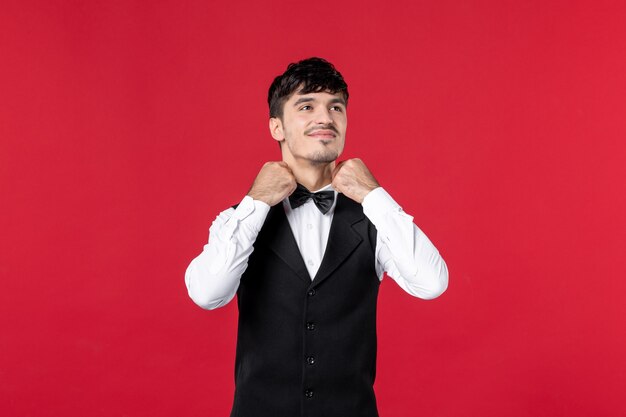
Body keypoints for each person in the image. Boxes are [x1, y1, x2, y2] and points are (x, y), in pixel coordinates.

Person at [185, 57, 449, 417]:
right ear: (276, 127)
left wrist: (374, 195)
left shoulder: (374, 220)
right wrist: (257, 200)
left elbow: (432, 283)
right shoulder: (241, 220)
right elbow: (207, 293)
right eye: (306, 105)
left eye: (335, 107)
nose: (324, 117)